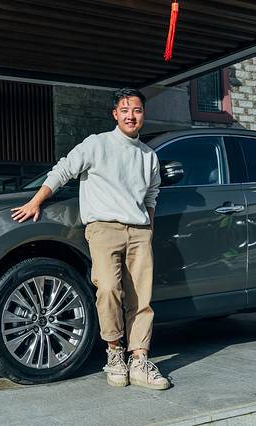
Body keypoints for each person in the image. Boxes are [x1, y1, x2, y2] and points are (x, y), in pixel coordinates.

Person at [10, 88, 170, 390]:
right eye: (125, 110)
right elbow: (63, 170)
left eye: (136, 110)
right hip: (103, 229)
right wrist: (35, 201)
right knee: (108, 289)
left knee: (141, 299)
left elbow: (152, 194)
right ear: (115, 114)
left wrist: (148, 227)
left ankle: (140, 360)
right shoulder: (97, 144)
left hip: (138, 231)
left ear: (143, 114)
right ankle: (114, 353)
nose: (131, 116)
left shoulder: (148, 156)